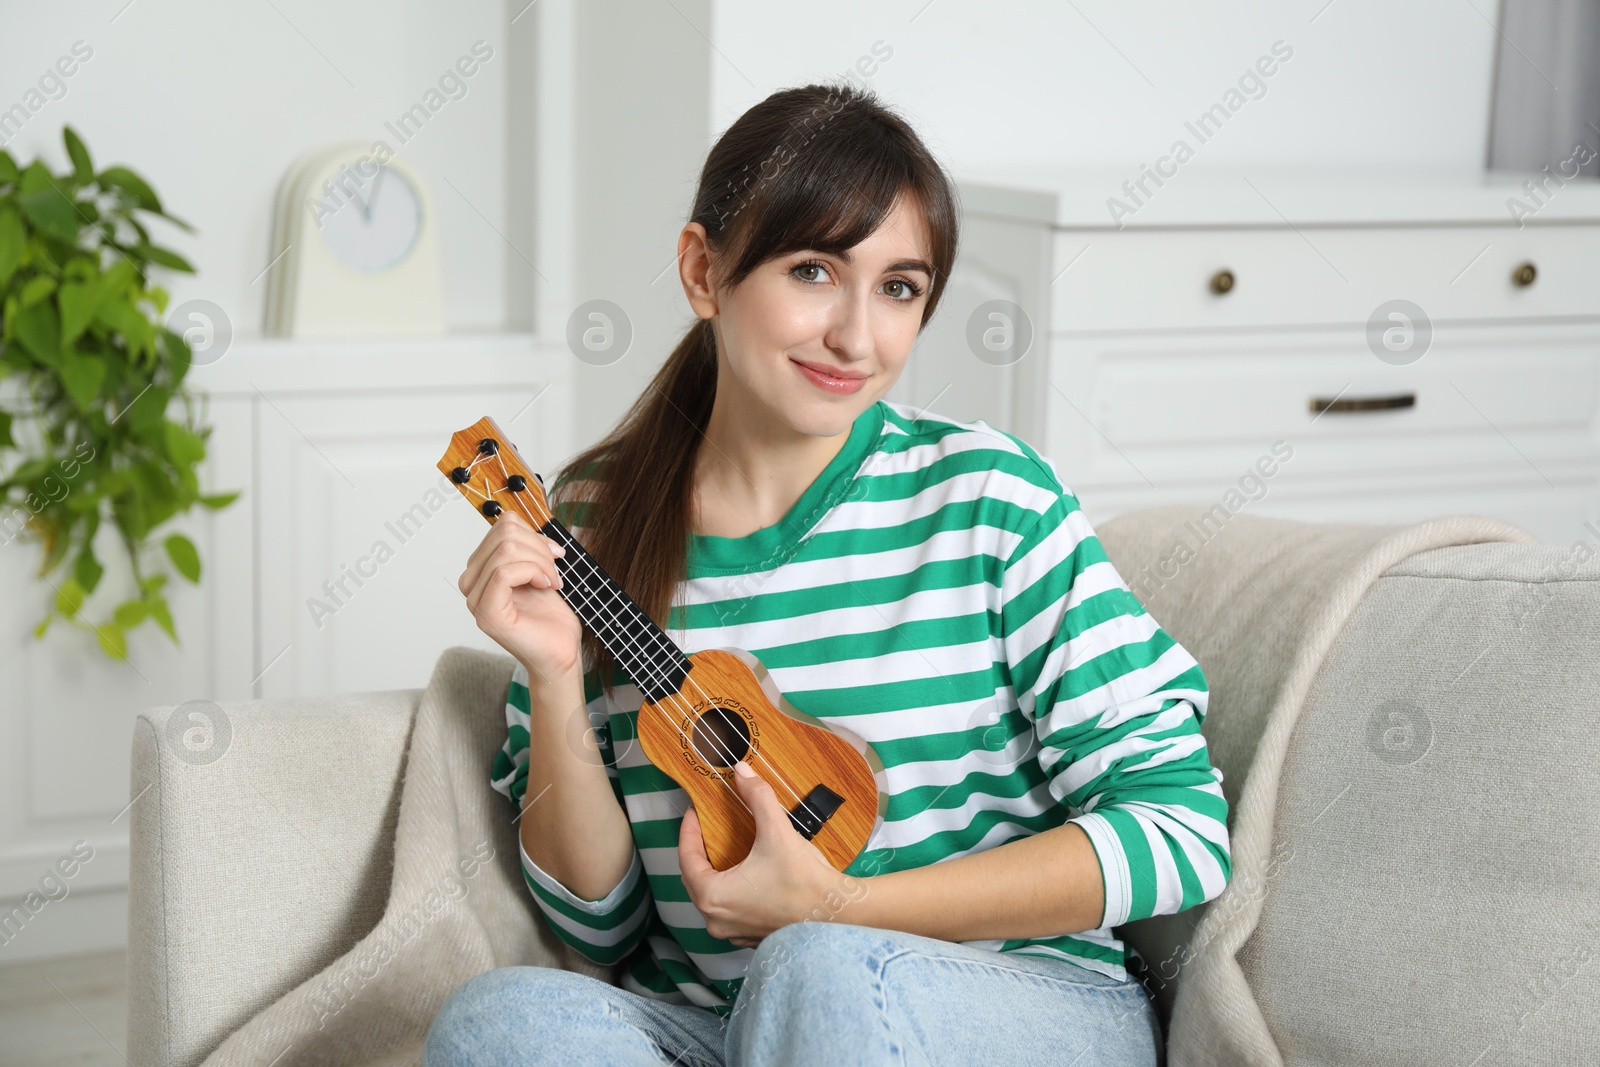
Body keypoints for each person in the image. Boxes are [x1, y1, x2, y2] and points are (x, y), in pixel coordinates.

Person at [427, 80, 1230, 1067]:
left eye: (899, 286)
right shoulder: (591, 522)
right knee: (500, 1017)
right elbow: (595, 931)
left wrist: (840, 907)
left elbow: (1180, 828)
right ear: (702, 270)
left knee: (818, 966)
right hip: (728, 1028)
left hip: (1016, 1008)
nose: (858, 338)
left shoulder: (988, 498)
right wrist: (554, 679)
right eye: (813, 271)